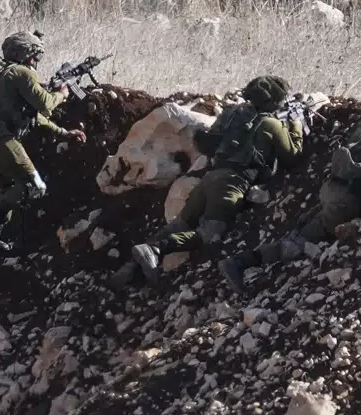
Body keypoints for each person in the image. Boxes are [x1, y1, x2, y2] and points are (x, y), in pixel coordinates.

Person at [220, 94, 361, 293]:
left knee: (302, 229)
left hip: (333, 189)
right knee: (296, 245)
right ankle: (240, 263)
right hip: (348, 202)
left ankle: (251, 258)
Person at [130, 76, 305, 284]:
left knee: (179, 224)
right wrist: (296, 125)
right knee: (210, 233)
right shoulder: (272, 124)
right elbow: (292, 155)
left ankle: (132, 268)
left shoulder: (232, 113)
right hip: (232, 184)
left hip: (209, 178)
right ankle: (155, 249)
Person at [0, 31, 86, 257]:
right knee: (34, 186)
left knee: (10, 187)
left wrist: (63, 133)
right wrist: (62, 93)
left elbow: (34, 117)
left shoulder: (1, 77)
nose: (36, 62)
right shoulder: (21, 73)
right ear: (29, 55)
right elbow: (46, 105)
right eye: (36, 57)